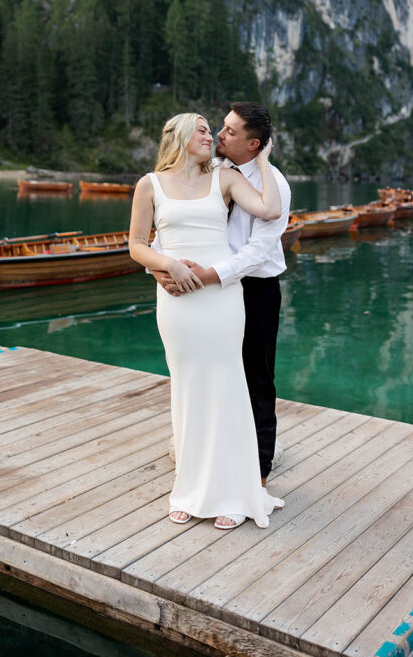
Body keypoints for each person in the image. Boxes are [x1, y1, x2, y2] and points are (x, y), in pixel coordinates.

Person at [129, 111, 285, 530]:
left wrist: (266, 162)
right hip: (177, 301)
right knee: (186, 387)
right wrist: (166, 266)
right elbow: (136, 245)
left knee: (229, 385)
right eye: (203, 128)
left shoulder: (227, 179)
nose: (213, 134)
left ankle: (235, 492)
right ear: (178, 136)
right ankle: (189, 489)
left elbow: (270, 210)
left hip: (221, 297)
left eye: (220, 130)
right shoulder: (150, 184)